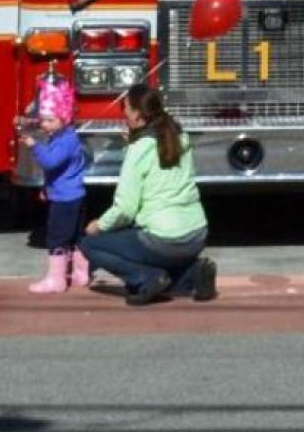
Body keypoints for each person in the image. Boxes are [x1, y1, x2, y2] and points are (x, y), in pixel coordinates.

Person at [81, 101, 217, 306]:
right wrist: (132, 148)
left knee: (90, 245)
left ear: (136, 115)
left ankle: (145, 277)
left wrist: (99, 225)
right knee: (163, 269)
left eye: (125, 109)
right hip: (196, 234)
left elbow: (125, 209)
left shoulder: (140, 148)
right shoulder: (180, 138)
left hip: (162, 239)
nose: (123, 115)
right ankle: (192, 274)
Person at [18, 74, 90, 294]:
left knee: (57, 237)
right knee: (76, 236)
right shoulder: (65, 137)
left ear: (64, 118)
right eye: (43, 120)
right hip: (73, 195)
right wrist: (46, 188)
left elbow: (51, 162)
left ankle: (56, 280)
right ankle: (80, 272)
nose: (45, 125)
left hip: (65, 199)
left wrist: (34, 146)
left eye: (50, 120)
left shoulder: (66, 140)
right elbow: (59, 171)